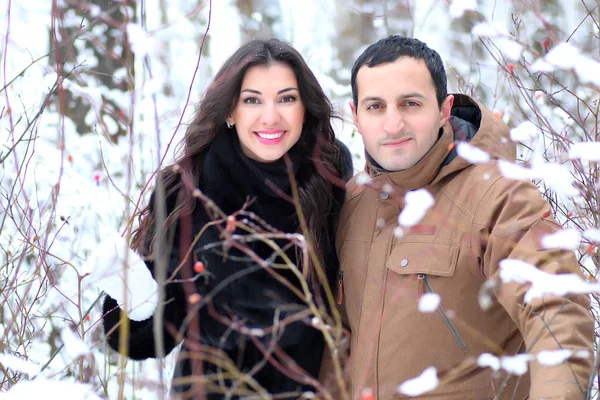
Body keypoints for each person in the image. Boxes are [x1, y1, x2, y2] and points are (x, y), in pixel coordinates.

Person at [332, 35, 594, 399]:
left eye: (410, 104)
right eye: (375, 107)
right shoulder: (354, 204)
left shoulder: (498, 196)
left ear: (443, 108)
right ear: (355, 115)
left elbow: (558, 314)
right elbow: (336, 341)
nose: (393, 125)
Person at [101, 38, 353, 399]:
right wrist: (127, 286)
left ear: (304, 109)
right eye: (252, 100)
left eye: (286, 98)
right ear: (230, 111)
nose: (270, 116)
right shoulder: (188, 188)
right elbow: (144, 338)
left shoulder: (331, 181)